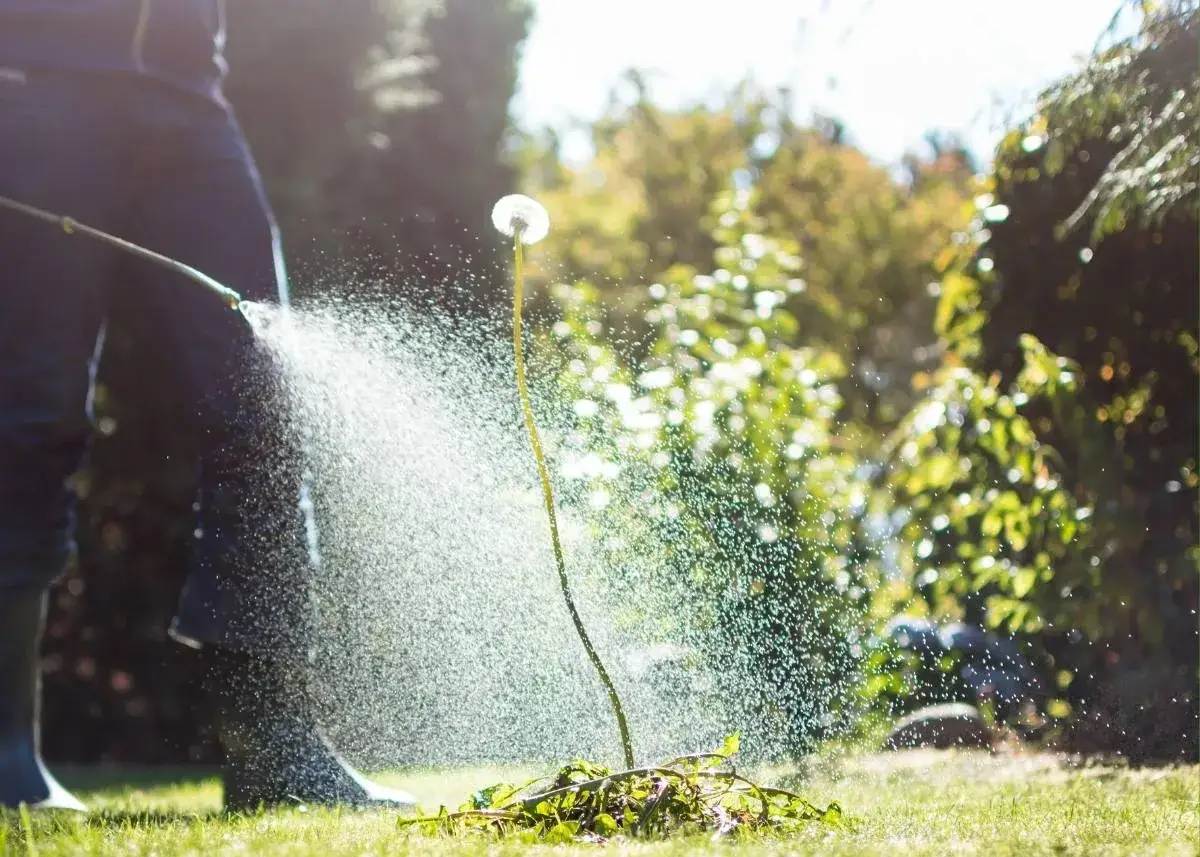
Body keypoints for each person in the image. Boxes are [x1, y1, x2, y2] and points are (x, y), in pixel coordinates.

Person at [0, 1, 416, 811]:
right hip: (33, 80)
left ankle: (273, 747)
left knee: (268, 399)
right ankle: (5, 746)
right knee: (30, 418)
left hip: (187, 92)